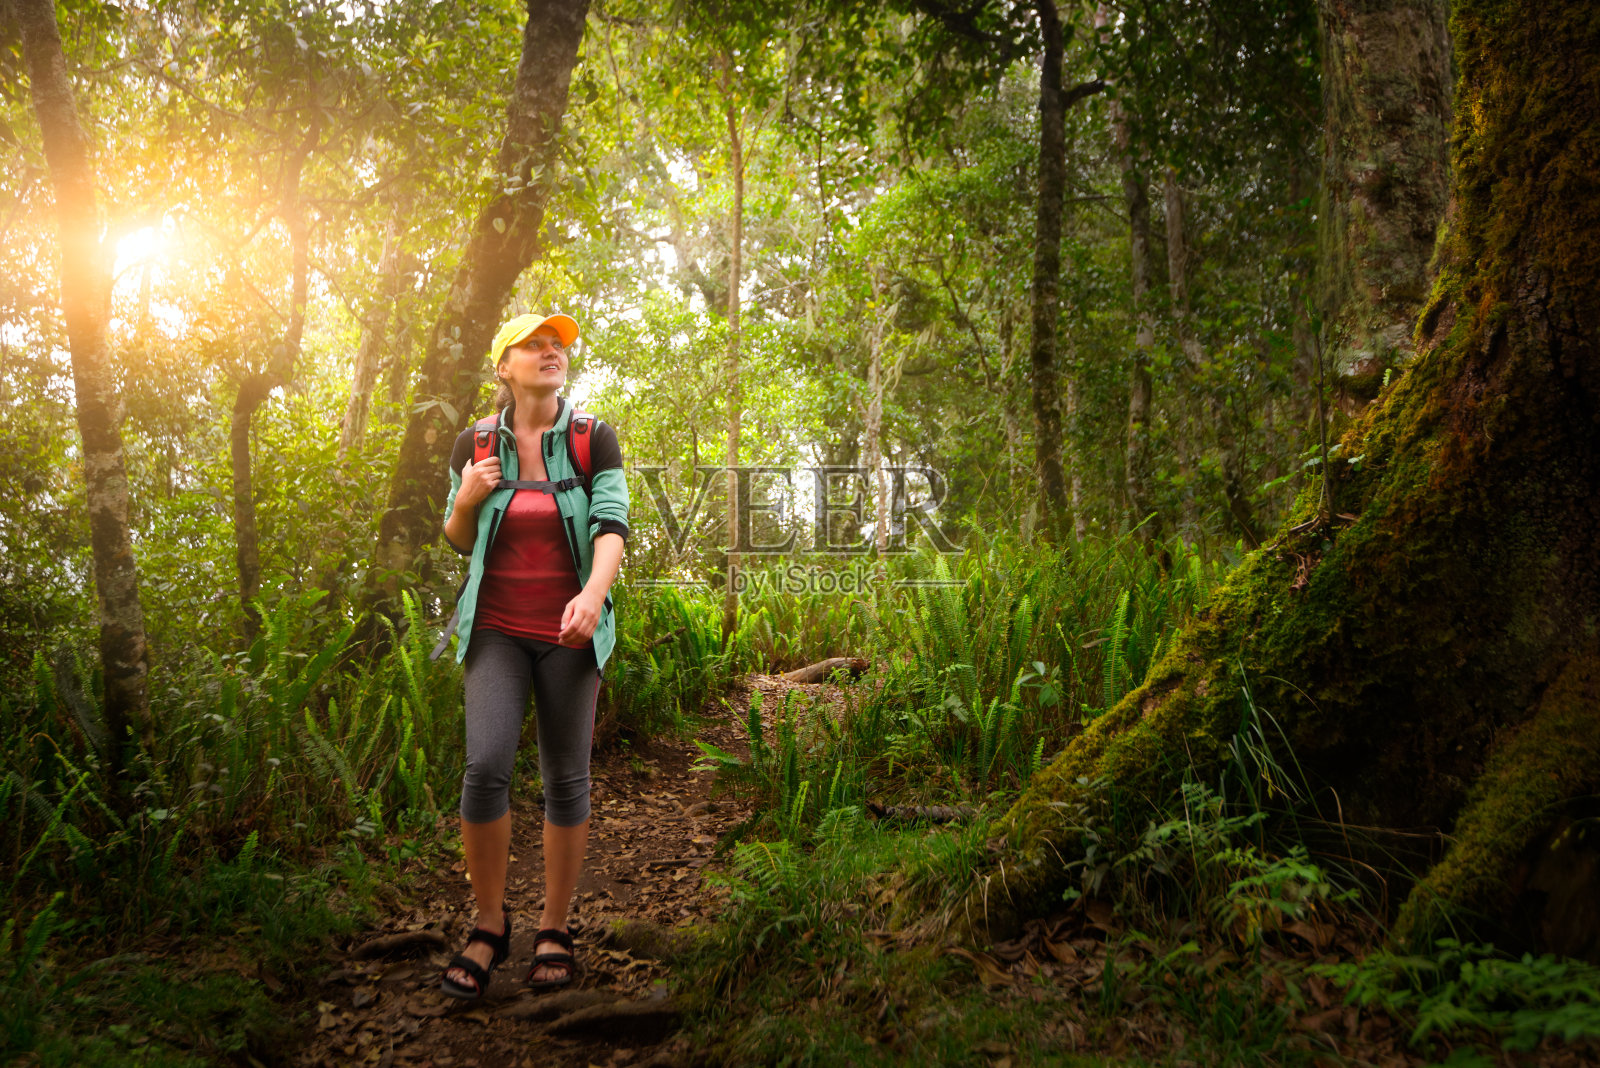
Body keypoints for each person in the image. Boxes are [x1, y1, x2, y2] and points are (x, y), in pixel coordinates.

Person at [436, 311, 628, 1000]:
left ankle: (554, 926)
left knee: (564, 778)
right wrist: (465, 497)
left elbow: (612, 529)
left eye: (559, 347)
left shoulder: (591, 438)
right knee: (485, 766)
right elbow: (461, 540)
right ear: (504, 367)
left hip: (570, 635)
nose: (551, 354)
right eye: (534, 346)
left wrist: (591, 597)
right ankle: (489, 925)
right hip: (494, 629)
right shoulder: (475, 442)